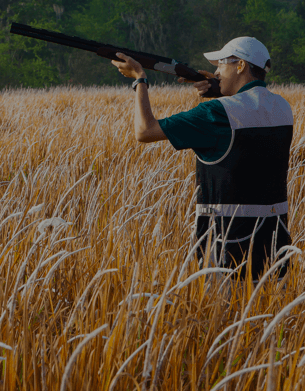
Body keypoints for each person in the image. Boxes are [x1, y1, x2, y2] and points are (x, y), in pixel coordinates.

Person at [112, 37, 294, 282]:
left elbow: (144, 131)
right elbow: (247, 110)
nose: (217, 71)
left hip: (227, 253)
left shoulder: (216, 112)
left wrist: (140, 79)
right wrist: (220, 89)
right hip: (274, 247)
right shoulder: (282, 107)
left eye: (221, 65)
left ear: (240, 65)